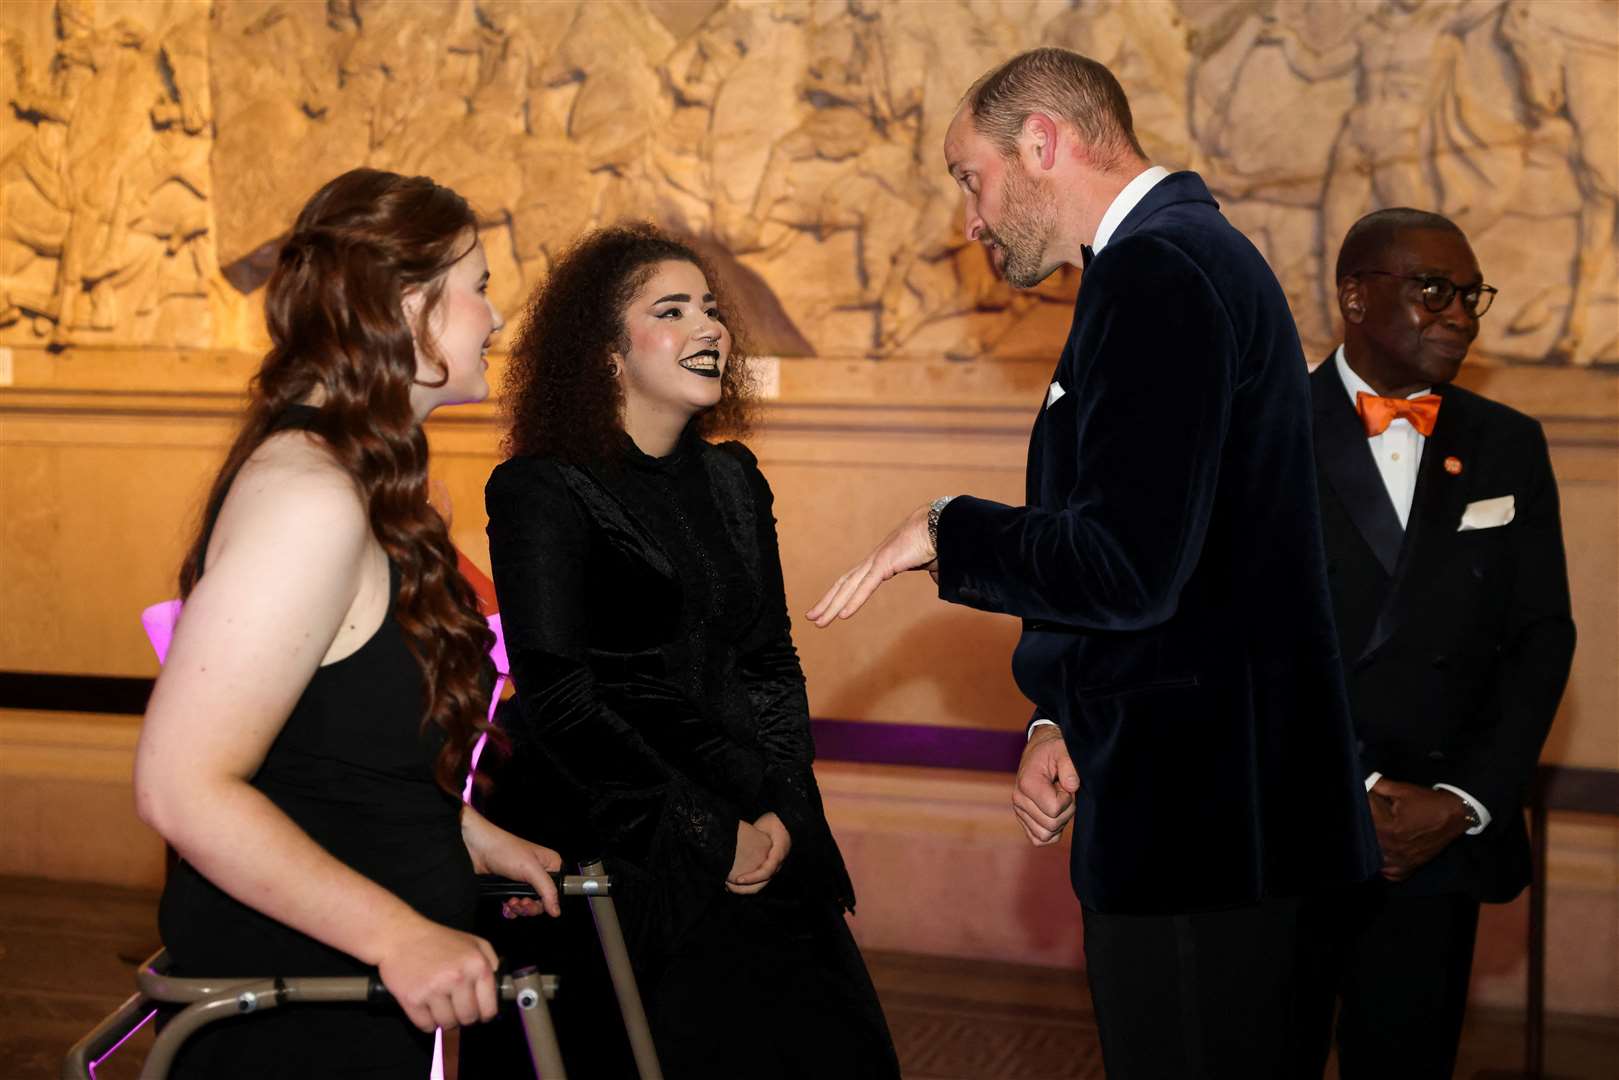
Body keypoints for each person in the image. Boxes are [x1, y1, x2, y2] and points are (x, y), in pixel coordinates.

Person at [808, 48, 1379, 1077]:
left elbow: (1124, 564)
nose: (970, 219)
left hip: (1202, 835)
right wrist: (1060, 712)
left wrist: (946, 531)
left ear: (1042, 142)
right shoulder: (1177, 260)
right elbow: (1187, 563)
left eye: (967, 178)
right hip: (1214, 821)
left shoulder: (1158, 271)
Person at [132, 167, 564, 1079]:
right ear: (409, 310)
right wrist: (398, 934)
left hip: (351, 999)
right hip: (304, 1016)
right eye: (479, 287)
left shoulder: (353, 475)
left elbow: (324, 747)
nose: (495, 315)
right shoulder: (309, 497)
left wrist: (454, 830)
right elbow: (182, 787)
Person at [478, 224, 899, 1079]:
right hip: (619, 834)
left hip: (754, 812)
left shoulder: (733, 477)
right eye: (671, 311)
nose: (710, 327)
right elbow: (561, 698)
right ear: (606, 354)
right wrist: (710, 833)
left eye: (710, 309)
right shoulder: (541, 489)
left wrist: (782, 806)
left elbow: (770, 664)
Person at [1314, 208, 1575, 1077]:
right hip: (1296, 824)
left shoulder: (1506, 444)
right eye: (1432, 290)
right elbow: (1242, 645)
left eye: (1469, 295)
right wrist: (1352, 787)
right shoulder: (1261, 431)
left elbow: (1540, 637)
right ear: (1354, 295)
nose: (1458, 313)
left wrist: (1460, 800)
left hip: (1434, 839)